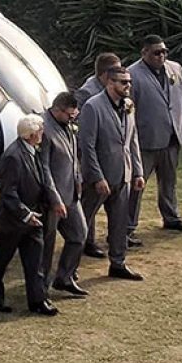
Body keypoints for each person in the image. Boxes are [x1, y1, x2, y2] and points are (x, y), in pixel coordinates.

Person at [0, 114, 67, 316]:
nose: (42, 133)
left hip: (34, 218)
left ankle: (38, 301)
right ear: (31, 135)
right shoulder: (13, 156)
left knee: (35, 263)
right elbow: (8, 192)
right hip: (12, 221)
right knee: (1, 260)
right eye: (40, 130)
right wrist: (25, 214)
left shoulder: (32, 151)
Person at [127, 35, 182, 242]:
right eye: (156, 52)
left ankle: (171, 216)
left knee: (169, 181)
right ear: (144, 53)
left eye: (164, 51)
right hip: (145, 141)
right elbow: (127, 111)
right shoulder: (132, 74)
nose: (161, 56)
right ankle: (127, 227)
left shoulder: (175, 69)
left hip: (172, 138)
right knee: (137, 185)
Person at [78, 66, 146, 281]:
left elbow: (132, 140)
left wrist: (138, 172)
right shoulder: (92, 107)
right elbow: (87, 146)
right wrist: (97, 177)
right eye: (123, 82)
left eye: (129, 82)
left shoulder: (128, 105)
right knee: (82, 222)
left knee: (119, 223)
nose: (128, 86)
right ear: (110, 83)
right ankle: (70, 266)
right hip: (100, 178)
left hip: (123, 175)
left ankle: (118, 263)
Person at [39, 91, 89, 297]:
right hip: (52, 199)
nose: (72, 119)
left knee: (79, 235)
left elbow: (74, 156)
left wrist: (78, 181)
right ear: (57, 110)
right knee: (46, 245)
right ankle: (39, 287)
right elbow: (44, 169)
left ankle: (65, 277)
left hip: (72, 193)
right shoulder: (43, 129)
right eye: (69, 115)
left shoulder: (67, 125)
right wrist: (54, 199)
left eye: (74, 115)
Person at [77, 52, 122, 258]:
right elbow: (85, 137)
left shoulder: (117, 93)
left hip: (113, 159)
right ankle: (85, 241)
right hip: (93, 158)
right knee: (90, 205)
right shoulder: (88, 95)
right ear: (105, 75)